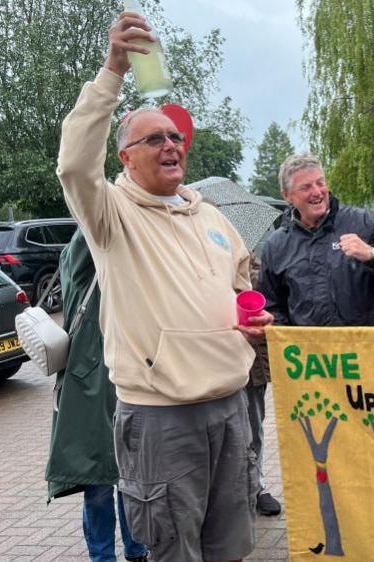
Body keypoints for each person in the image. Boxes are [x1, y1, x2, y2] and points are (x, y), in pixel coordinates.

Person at [56, 10, 272, 562]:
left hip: (230, 405)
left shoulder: (209, 215)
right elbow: (75, 166)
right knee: (173, 548)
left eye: (176, 136)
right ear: (126, 157)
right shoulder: (110, 214)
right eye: (155, 139)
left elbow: (241, 280)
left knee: (230, 543)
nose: (171, 144)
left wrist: (252, 325)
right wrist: (112, 71)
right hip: (160, 417)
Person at [45, 229, 147, 562]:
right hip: (90, 383)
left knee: (130, 476)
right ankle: (103, 557)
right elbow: (91, 228)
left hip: (124, 377)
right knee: (99, 479)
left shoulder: (120, 263)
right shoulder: (80, 254)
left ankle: (137, 549)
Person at [258, 153, 374, 327]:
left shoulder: (362, 222)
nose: (317, 192)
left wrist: (373, 255)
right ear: (287, 196)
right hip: (308, 352)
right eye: (306, 187)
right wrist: (278, 331)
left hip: (361, 349)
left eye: (320, 183)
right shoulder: (277, 245)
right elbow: (272, 306)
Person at [245, 252, 281, 517]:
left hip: (250, 362)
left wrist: (245, 279)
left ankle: (257, 487)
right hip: (208, 362)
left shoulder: (243, 251)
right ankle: (232, 492)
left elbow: (267, 286)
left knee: (254, 427)